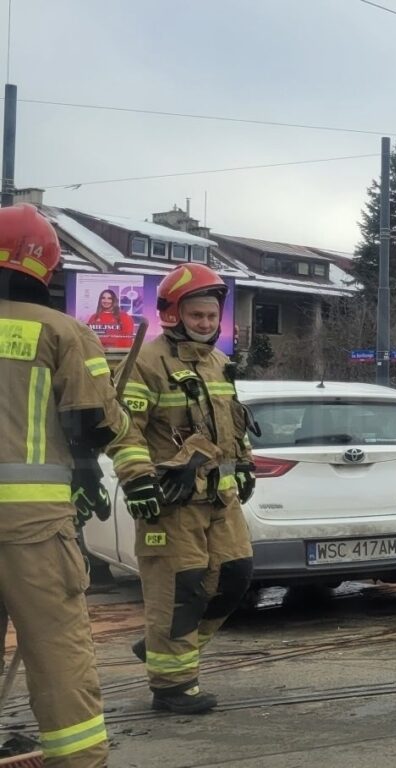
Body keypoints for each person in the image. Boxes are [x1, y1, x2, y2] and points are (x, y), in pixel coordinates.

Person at [0, 204, 160, 767]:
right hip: (35, 531)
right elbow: (94, 417)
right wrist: (95, 468)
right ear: (45, 266)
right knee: (58, 656)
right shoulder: (62, 332)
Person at [121, 263, 256, 714]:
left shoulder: (219, 363)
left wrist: (246, 464)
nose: (206, 323)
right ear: (174, 314)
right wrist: (138, 480)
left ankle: (162, 646)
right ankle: (172, 686)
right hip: (172, 502)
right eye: (196, 315)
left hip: (220, 496)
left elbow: (232, 424)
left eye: (211, 316)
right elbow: (125, 430)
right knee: (181, 591)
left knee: (234, 577)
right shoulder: (145, 361)